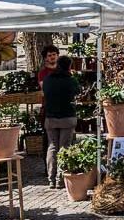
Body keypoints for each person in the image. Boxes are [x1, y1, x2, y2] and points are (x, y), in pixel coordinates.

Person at [42, 55, 79, 188]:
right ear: (69, 67)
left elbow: (45, 92)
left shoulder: (47, 79)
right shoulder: (71, 80)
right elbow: (78, 92)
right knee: (64, 147)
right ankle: (60, 179)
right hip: (67, 117)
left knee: (52, 146)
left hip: (51, 117)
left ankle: (51, 179)